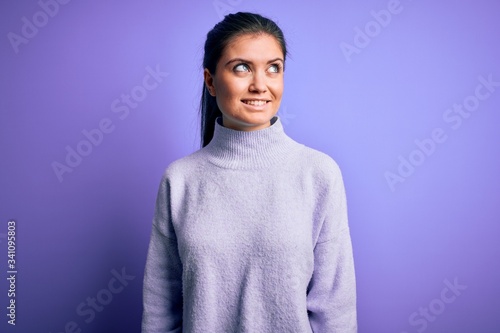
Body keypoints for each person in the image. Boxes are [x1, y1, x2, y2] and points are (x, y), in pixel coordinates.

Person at [142, 11, 357, 333]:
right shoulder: (180, 179)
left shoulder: (318, 174)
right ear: (211, 81)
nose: (260, 85)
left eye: (274, 68)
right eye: (241, 67)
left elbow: (335, 309)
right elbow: (161, 309)